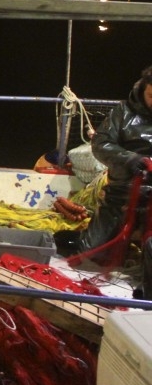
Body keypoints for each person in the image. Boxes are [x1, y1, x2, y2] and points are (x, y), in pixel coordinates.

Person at [56, 65, 152, 263]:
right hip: (121, 196)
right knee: (92, 256)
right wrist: (129, 159)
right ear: (143, 89)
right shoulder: (123, 111)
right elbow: (101, 143)